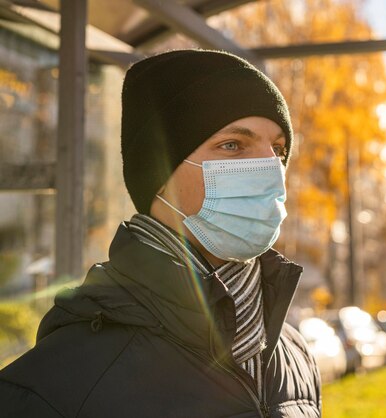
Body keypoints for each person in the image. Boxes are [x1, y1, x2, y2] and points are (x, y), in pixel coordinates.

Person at [0, 50, 321, 417]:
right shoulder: (55, 386)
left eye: (278, 150)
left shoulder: (293, 353)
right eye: (233, 145)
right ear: (159, 173)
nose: (270, 168)